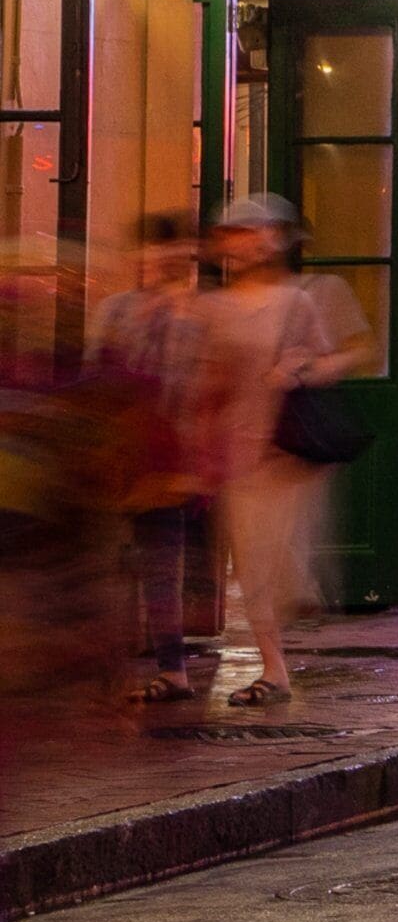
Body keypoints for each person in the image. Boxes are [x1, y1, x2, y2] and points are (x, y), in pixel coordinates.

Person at [187, 194, 373, 707]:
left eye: (252, 233)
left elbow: (337, 359)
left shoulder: (298, 301)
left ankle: (283, 643)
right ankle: (275, 668)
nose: (241, 244)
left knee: (277, 569)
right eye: (232, 235)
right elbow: (204, 382)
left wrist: (299, 369)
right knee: (252, 566)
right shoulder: (212, 307)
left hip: (285, 453)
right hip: (237, 451)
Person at [98, 217, 206, 703]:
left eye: (175, 252)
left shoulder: (198, 316)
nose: (162, 261)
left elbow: (201, 388)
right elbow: (96, 378)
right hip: (123, 455)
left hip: (168, 459)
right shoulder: (115, 311)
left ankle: (172, 668)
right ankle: (117, 666)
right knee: (113, 562)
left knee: (162, 564)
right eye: (154, 251)